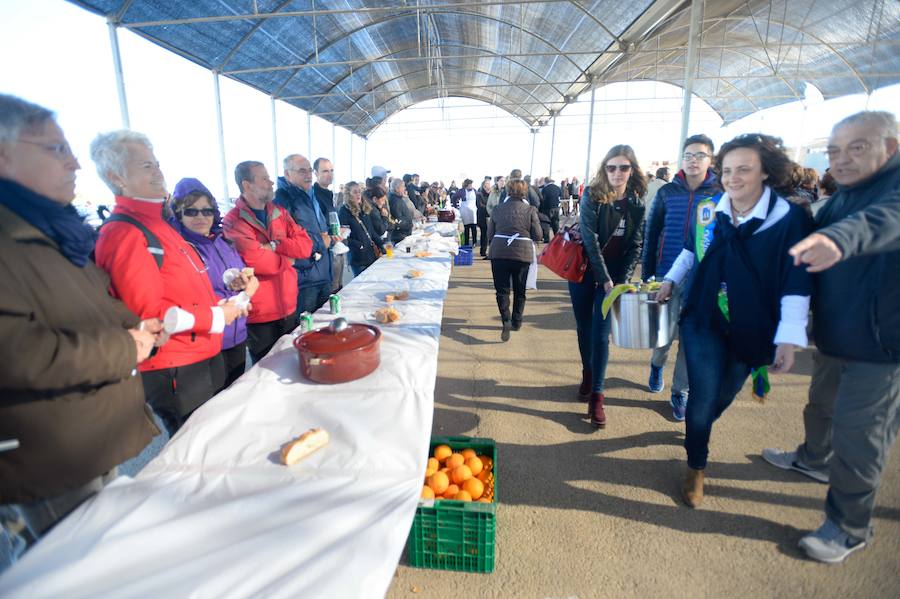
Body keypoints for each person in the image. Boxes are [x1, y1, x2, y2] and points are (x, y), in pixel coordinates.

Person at [0, 95, 158, 564]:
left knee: (107, 555)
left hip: (89, 433)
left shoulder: (51, 232)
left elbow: (92, 305)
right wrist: (125, 347)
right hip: (51, 451)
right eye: (55, 150)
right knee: (77, 565)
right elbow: (17, 354)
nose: (74, 163)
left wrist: (135, 326)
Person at [761, 111, 900, 563]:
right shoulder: (845, 195)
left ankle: (849, 526)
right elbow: (812, 231)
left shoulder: (889, 194)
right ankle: (813, 458)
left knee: (861, 436)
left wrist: (839, 239)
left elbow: (877, 223)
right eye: (835, 150)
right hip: (837, 336)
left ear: (890, 149)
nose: (841, 159)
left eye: (857, 148)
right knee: (820, 405)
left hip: (882, 349)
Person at [655, 133, 812, 509]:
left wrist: (788, 338)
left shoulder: (788, 220)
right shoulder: (709, 210)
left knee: (721, 397)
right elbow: (690, 253)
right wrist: (670, 280)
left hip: (753, 324)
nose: (733, 177)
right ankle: (696, 465)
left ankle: (700, 427)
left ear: (766, 174)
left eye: (744, 169)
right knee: (704, 393)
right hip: (703, 317)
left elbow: (796, 282)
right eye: (728, 170)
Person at [91, 130, 247, 436]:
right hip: (178, 365)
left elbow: (186, 288)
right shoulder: (124, 232)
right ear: (116, 176)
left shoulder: (158, 226)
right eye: (146, 166)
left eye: (157, 163)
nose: (158, 171)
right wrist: (217, 316)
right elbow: (148, 314)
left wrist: (221, 302)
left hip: (202, 355)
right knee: (200, 452)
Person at [641, 135, 720, 420]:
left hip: (702, 278)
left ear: (710, 159)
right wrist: (648, 269)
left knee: (691, 338)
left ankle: (679, 391)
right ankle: (656, 364)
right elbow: (651, 233)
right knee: (663, 334)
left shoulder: (719, 194)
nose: (693, 160)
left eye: (700, 155)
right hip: (666, 274)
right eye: (688, 155)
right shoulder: (667, 192)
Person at [570, 145, 646, 427]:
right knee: (583, 327)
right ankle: (587, 371)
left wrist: (622, 281)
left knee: (602, 336)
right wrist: (604, 277)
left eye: (623, 167)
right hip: (584, 272)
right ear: (604, 170)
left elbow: (636, 244)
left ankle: (597, 396)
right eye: (611, 167)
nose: (617, 173)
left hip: (612, 278)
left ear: (632, 170)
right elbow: (589, 239)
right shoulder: (592, 195)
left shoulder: (637, 203)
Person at [170, 178, 259, 388]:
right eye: (191, 211)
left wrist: (243, 282)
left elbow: (236, 275)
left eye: (206, 210)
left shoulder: (223, 241)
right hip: (208, 343)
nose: (200, 216)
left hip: (237, 336)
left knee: (236, 395)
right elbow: (188, 295)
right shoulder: (179, 248)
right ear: (179, 215)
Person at [224, 161, 313, 362]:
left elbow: (305, 246)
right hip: (260, 316)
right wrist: (288, 260)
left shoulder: (279, 213)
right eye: (264, 178)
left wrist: (275, 245)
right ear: (247, 185)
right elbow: (256, 260)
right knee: (266, 373)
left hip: (288, 305)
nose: (271, 182)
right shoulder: (233, 220)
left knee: (294, 362)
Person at [275, 154, 335, 315]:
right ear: (288, 174)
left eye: (309, 170)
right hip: (304, 279)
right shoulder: (283, 199)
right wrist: (321, 242)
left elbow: (320, 230)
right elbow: (283, 240)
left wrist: (332, 238)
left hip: (322, 273)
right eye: (302, 171)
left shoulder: (310, 195)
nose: (308, 175)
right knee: (306, 331)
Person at [488, 180, 542, 341]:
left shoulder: (497, 209)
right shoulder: (530, 209)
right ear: (524, 192)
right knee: (520, 290)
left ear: (508, 191)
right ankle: (517, 321)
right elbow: (538, 235)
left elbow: (490, 234)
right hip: (522, 253)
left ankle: (506, 319)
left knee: (502, 290)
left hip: (499, 252)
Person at [339, 181, 384, 276]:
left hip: (371, 255)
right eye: (355, 192)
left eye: (359, 191)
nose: (358, 194)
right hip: (358, 258)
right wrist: (359, 245)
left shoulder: (364, 208)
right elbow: (343, 237)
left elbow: (370, 231)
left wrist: (381, 244)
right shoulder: (344, 211)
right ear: (348, 194)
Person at [313, 157, 344, 293]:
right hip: (325, 253)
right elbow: (318, 225)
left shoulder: (328, 194)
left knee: (338, 288)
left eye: (331, 170)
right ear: (316, 173)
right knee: (333, 291)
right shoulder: (315, 195)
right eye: (325, 171)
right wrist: (332, 234)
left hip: (336, 248)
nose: (329, 174)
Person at [388, 177, 414, 243]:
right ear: (397, 189)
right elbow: (398, 221)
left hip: (402, 235)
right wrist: (409, 224)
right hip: (399, 237)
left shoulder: (397, 198)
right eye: (403, 186)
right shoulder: (395, 201)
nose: (404, 188)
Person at [540, 176, 562, 242]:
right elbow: (560, 195)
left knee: (546, 224)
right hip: (556, 207)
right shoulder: (557, 187)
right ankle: (557, 238)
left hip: (547, 208)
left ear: (546, 182)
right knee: (556, 223)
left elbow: (542, 199)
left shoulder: (545, 189)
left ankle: (547, 239)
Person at [457, 179, 478, 246]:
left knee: (474, 227)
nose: (471, 186)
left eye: (471, 184)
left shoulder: (474, 190)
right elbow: (454, 197)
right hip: (465, 211)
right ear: (466, 185)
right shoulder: (461, 191)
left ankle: (474, 242)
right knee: (466, 228)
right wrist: (456, 206)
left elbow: (478, 197)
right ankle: (466, 243)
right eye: (470, 184)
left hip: (473, 211)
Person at [476, 178, 492, 258]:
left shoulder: (492, 194)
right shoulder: (479, 194)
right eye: (487, 184)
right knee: (484, 235)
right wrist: (489, 208)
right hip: (483, 217)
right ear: (483, 185)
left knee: (491, 235)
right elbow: (479, 205)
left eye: (489, 184)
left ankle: (491, 252)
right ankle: (483, 251)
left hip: (491, 217)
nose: (488, 186)